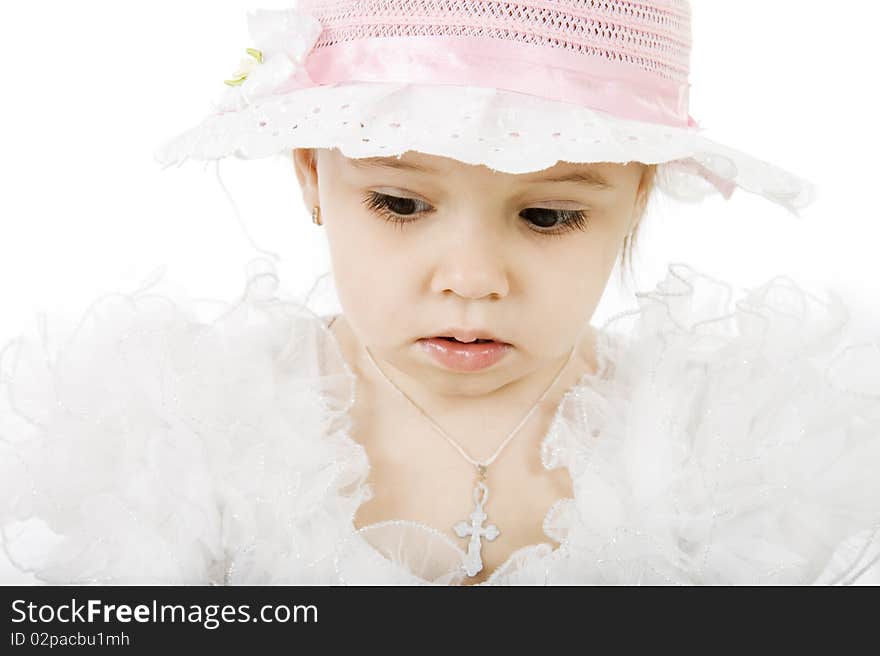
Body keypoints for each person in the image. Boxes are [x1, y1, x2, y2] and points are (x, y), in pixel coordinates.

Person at [2, 1, 879, 585]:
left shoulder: (722, 450)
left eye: (546, 215)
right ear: (312, 175)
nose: (470, 278)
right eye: (399, 202)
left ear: (638, 196)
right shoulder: (189, 435)